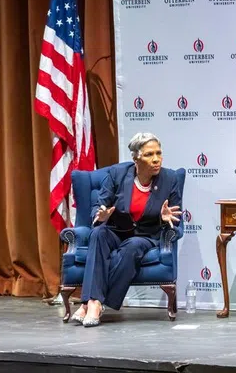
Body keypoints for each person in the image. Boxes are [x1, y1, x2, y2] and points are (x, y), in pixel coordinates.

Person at [71, 132, 182, 327]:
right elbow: (100, 205)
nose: (156, 159)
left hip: (147, 235)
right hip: (117, 230)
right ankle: (93, 302)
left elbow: (176, 220)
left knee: (133, 246)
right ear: (136, 158)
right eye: (149, 154)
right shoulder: (117, 174)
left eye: (158, 153)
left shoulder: (170, 178)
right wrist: (101, 215)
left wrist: (164, 219)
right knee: (98, 233)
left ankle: (94, 303)